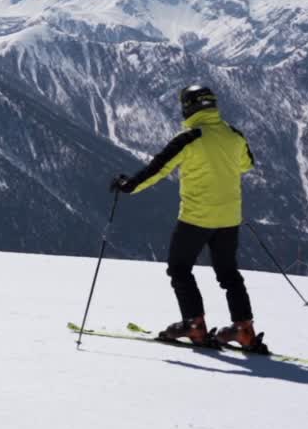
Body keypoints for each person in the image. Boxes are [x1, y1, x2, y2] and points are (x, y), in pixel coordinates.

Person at [109, 85, 264, 351]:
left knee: (180, 269)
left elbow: (157, 169)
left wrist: (128, 185)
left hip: (195, 218)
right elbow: (247, 164)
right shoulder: (233, 135)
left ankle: (194, 325)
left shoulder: (189, 138)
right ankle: (244, 330)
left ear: (189, 107)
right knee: (229, 274)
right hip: (229, 219)